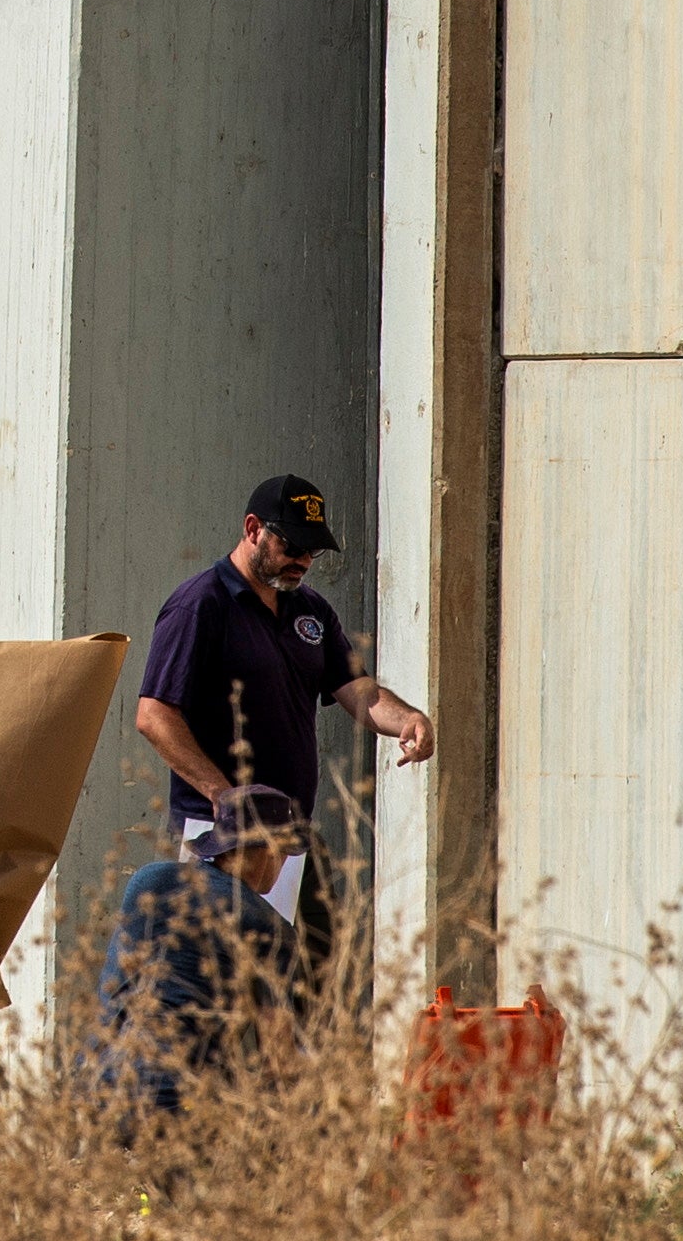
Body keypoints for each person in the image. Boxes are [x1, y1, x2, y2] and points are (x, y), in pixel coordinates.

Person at [134, 475, 434, 961]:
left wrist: (408, 720)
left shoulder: (310, 610)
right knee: (226, 983)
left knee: (317, 970)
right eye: (291, 545)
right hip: (223, 839)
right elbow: (154, 715)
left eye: (312, 551)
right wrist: (224, 798)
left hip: (291, 833)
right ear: (253, 529)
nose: (302, 561)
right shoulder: (200, 606)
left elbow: (357, 689)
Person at [92, 785, 308, 1133]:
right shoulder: (270, 930)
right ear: (270, 851)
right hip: (171, 1115)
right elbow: (279, 1065)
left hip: (92, 1094)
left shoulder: (147, 880)